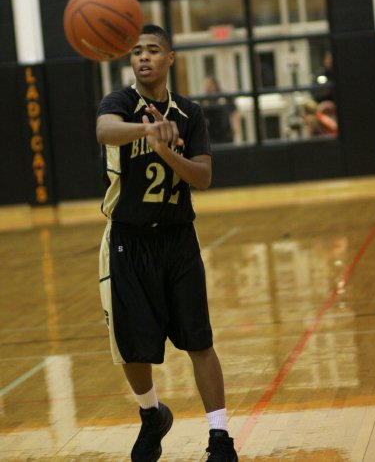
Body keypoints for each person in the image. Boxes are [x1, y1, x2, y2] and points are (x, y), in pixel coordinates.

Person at [96, 24, 238, 462]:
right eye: (136, 51)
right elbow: (105, 131)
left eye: (153, 50)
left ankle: (219, 437)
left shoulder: (190, 113)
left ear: (170, 58)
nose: (143, 57)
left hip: (178, 239)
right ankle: (152, 413)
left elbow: (205, 177)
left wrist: (167, 152)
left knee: (199, 340)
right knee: (132, 348)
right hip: (128, 241)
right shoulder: (119, 103)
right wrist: (145, 133)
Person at [200, 76, 240, 144]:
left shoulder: (225, 96)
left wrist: (235, 125)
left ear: (214, 84)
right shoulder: (205, 99)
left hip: (225, 130)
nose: (208, 87)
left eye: (209, 84)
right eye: (206, 85)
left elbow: (234, 111)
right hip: (211, 132)